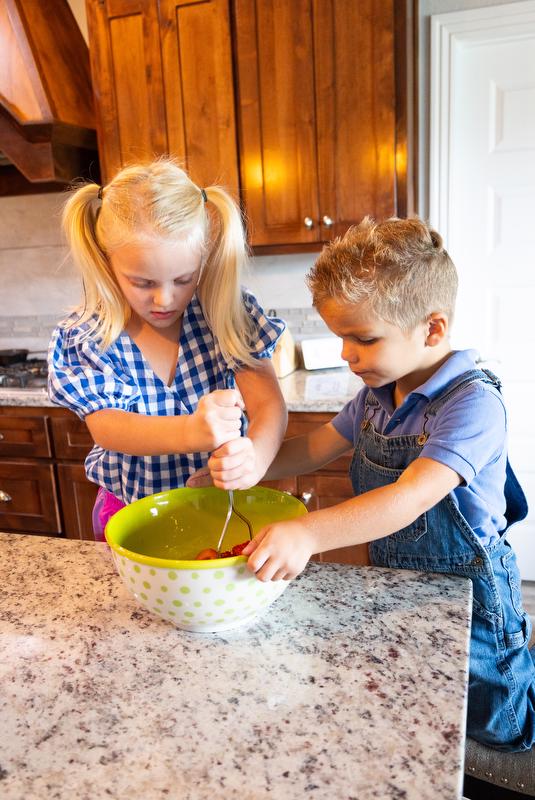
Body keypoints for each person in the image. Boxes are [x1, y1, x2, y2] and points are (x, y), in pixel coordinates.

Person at [192, 215, 534, 753]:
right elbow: (312, 448)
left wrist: (306, 533)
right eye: (341, 339)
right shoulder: (377, 396)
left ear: (433, 329)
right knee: (424, 695)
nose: (347, 355)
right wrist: (248, 466)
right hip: (398, 581)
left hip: (472, 595)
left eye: (364, 339)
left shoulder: (473, 404)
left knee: (494, 714)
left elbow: (409, 499)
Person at [48, 159, 287, 540]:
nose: (165, 298)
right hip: (131, 515)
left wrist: (255, 458)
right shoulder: (89, 334)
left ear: (202, 262)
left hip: (219, 510)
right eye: (142, 282)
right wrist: (190, 431)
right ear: (107, 263)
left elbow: (268, 406)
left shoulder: (222, 311)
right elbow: (108, 426)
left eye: (183, 279)